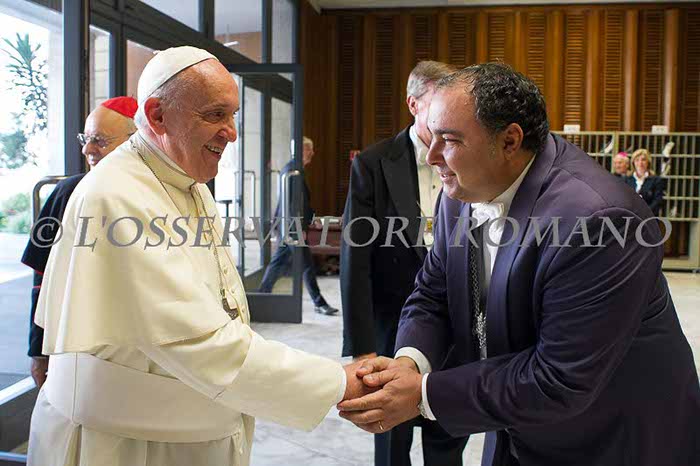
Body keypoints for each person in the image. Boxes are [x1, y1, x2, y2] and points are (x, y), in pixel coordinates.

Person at [338, 63, 700, 466]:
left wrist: (421, 394)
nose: (432, 155)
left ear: (510, 140)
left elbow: (559, 378)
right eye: (431, 136)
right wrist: (408, 364)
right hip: (514, 423)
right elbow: (433, 293)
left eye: (449, 140)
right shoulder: (458, 193)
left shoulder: (600, 220)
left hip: (609, 437)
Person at [27, 46, 371, 466]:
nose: (232, 132)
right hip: (124, 445)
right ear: (157, 116)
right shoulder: (116, 196)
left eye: (233, 115)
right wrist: (335, 382)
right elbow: (197, 341)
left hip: (189, 428)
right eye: (215, 114)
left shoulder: (188, 182)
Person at [341, 61, 467, 466]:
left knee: (447, 441)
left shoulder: (467, 157)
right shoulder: (373, 163)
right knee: (391, 442)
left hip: (455, 329)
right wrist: (361, 346)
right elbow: (355, 261)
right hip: (390, 328)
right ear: (413, 105)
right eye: (437, 107)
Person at [21, 96, 138, 389]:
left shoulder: (159, 195)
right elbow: (42, 279)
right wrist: (38, 351)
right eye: (86, 139)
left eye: (99, 140)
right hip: (78, 345)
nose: (87, 149)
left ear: (135, 142)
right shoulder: (67, 192)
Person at [258, 136, 338, 315]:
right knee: (307, 265)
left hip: (287, 225)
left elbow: (298, 202)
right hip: (291, 226)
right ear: (302, 150)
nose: (313, 153)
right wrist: (299, 226)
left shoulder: (293, 169)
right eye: (310, 149)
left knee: (278, 262)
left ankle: (262, 294)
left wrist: (310, 218)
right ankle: (319, 303)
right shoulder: (293, 171)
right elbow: (293, 204)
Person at [625, 148, 666, 216]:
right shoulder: (626, 180)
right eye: (637, 160)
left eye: (643, 160)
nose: (640, 163)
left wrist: (645, 213)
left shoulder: (656, 180)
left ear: (648, 162)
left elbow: (658, 201)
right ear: (633, 163)